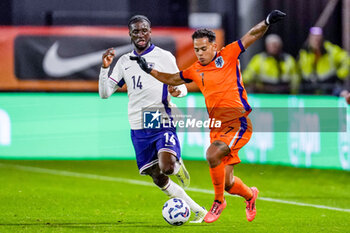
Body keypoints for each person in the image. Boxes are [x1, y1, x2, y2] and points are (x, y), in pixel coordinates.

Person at [130, 10, 286, 223]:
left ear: (214, 46)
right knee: (229, 182)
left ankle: (218, 202)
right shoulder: (195, 69)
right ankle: (250, 195)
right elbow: (175, 78)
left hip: (237, 122)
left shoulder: (228, 54)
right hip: (217, 127)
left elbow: (251, 34)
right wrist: (150, 71)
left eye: (204, 48)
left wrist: (267, 21)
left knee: (212, 155)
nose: (200, 53)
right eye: (196, 50)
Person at [99, 15, 207, 223]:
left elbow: (181, 84)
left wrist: (178, 91)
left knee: (167, 167)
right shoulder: (124, 61)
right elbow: (104, 93)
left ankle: (176, 164)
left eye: (144, 30)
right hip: (137, 125)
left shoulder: (164, 56)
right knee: (158, 177)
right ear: (130, 34)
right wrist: (105, 69)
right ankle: (198, 210)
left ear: (150, 32)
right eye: (136, 31)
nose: (141, 34)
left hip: (160, 117)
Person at [298, 27, 350, 95]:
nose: (316, 41)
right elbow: (298, 72)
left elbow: (347, 60)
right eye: (314, 38)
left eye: (318, 39)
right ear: (310, 39)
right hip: (310, 88)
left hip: (329, 86)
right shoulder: (304, 53)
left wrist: (339, 75)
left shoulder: (331, 50)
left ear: (322, 39)